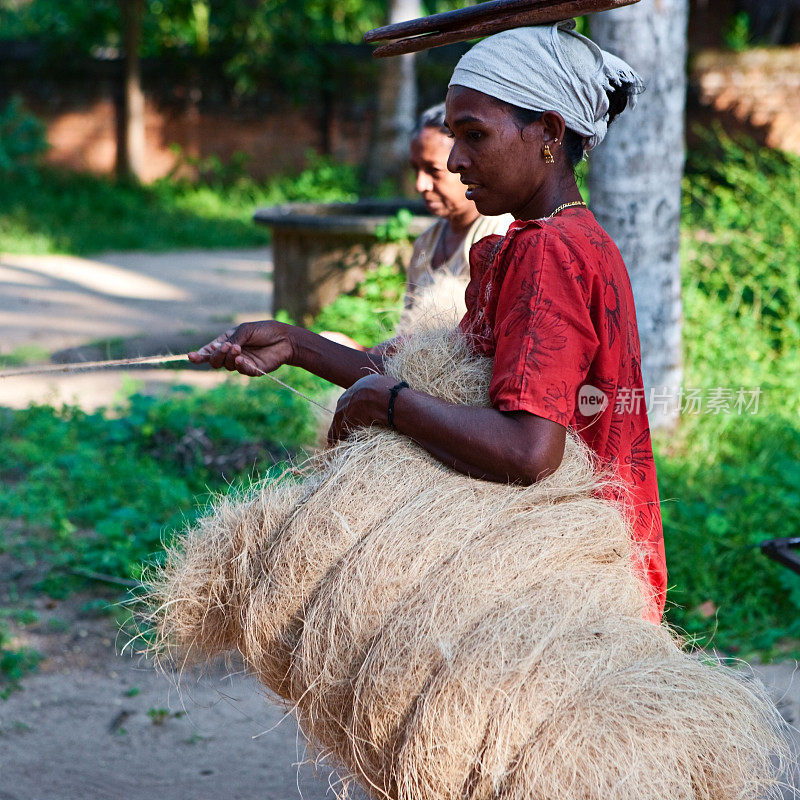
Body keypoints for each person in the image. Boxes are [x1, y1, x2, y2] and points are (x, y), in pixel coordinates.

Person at [189, 21, 666, 622]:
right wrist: (294, 343)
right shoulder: (566, 238)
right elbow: (447, 385)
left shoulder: (547, 253)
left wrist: (388, 404)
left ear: (547, 132)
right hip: (587, 558)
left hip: (573, 587)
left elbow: (527, 451)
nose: (455, 159)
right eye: (452, 136)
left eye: (474, 135)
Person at [323, 103, 511, 350]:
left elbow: (481, 345)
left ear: (463, 164)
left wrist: (363, 354)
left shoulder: (499, 233)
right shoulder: (426, 243)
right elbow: (408, 340)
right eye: (416, 170)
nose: (420, 185)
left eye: (433, 171)